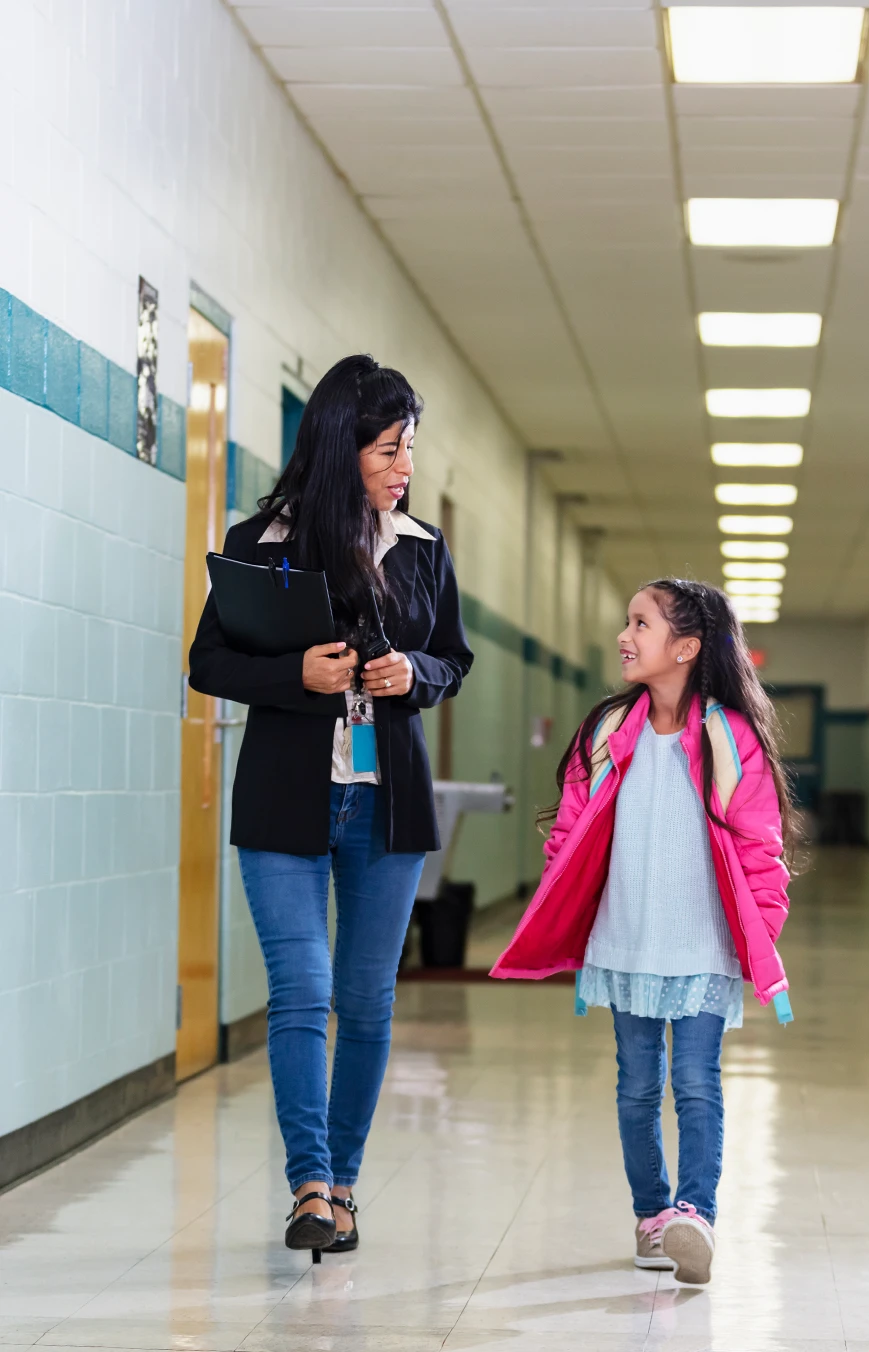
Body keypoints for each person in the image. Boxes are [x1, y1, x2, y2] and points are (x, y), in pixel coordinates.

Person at [188, 354, 473, 1257]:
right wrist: (294, 676)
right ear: (340, 444)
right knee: (303, 991)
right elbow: (209, 663)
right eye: (389, 448)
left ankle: (344, 1184)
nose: (404, 466)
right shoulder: (256, 541)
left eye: (411, 449)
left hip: (386, 811)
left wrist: (413, 673)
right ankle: (308, 1185)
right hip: (284, 805)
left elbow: (454, 662)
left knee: (366, 999)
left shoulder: (422, 549)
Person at [491, 579, 795, 1284]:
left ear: (685, 647)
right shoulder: (607, 729)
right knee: (636, 1086)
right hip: (626, 938)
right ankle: (653, 1215)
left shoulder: (728, 734)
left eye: (641, 623)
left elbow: (760, 843)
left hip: (702, 945)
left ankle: (696, 1215)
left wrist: (759, 930)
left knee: (694, 1081)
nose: (624, 636)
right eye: (626, 621)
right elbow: (570, 829)